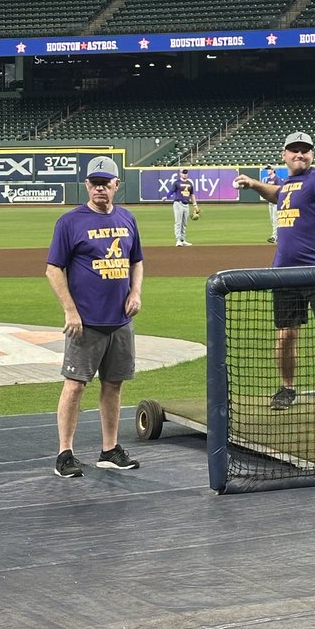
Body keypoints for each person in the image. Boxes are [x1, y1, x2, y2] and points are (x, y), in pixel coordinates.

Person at [236, 131, 315, 420]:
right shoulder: (287, 184)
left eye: (304, 150)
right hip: (285, 274)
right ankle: (287, 388)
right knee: (286, 336)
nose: (299, 154)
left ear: (311, 154)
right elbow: (276, 194)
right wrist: (254, 184)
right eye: (294, 150)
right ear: (284, 155)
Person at [46, 156, 144, 477]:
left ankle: (109, 449)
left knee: (113, 384)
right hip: (86, 322)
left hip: (120, 320)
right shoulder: (70, 222)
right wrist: (70, 309)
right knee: (75, 386)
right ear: (87, 185)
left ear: (117, 185)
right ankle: (65, 454)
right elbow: (53, 269)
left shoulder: (127, 218)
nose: (100, 188)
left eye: (106, 183)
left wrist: (135, 292)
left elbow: (136, 260)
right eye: (95, 183)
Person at [167, 167, 198, 246]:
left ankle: (182, 239)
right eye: (183, 173)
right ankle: (178, 240)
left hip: (186, 204)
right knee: (178, 222)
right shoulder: (177, 183)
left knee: (184, 223)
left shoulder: (190, 183)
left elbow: (192, 194)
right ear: (180, 174)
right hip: (178, 203)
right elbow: (171, 191)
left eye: (186, 173)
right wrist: (166, 196)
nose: (185, 174)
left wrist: (195, 205)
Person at [261, 164, 280, 242]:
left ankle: (274, 237)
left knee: (275, 220)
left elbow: (280, 190)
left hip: (276, 203)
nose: (267, 171)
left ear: (273, 170)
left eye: (269, 169)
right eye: (267, 169)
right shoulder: (268, 180)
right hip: (270, 203)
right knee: (273, 220)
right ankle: (277, 236)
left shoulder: (277, 179)